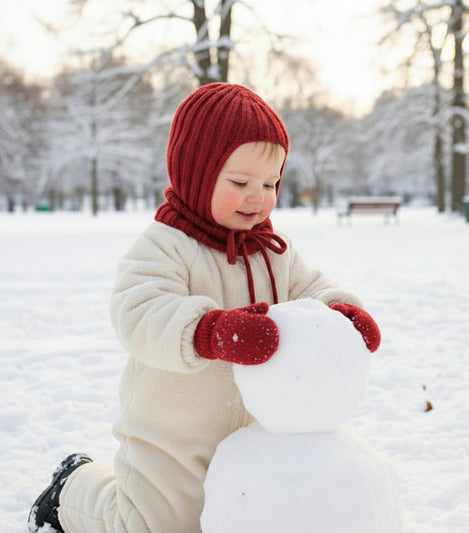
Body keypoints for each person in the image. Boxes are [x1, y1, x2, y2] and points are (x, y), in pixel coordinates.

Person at [28, 82, 381, 533]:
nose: (259, 196)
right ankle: (74, 487)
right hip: (173, 434)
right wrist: (210, 330)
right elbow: (138, 312)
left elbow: (313, 287)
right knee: (158, 525)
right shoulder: (165, 245)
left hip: (255, 430)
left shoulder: (273, 250)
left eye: (271, 183)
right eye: (240, 182)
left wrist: (343, 312)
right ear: (195, 173)